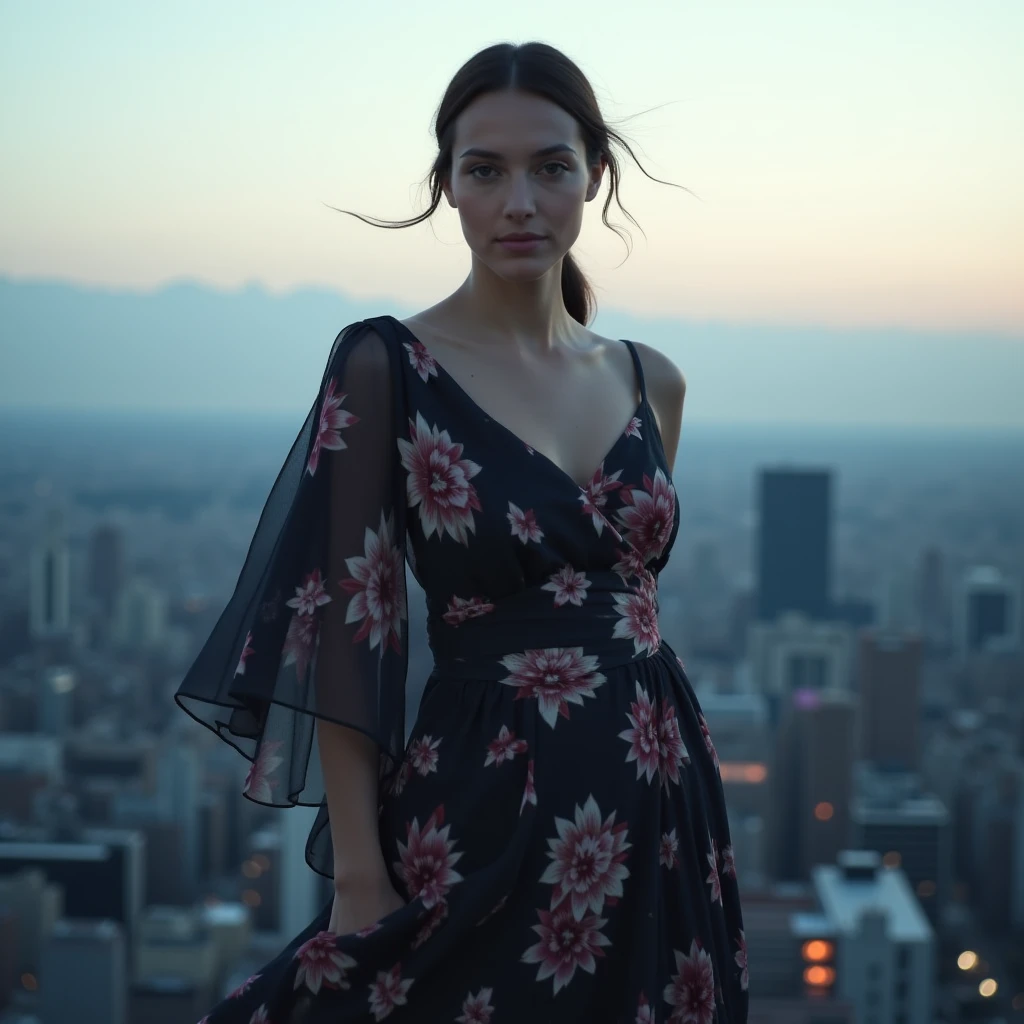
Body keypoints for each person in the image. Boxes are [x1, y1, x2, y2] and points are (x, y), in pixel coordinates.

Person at [176, 39, 748, 1024]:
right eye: (484, 170)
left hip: (659, 797)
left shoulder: (653, 380)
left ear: (593, 177)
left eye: (550, 167)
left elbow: (627, 591)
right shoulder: (386, 363)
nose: (519, 201)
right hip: (485, 794)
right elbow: (340, 623)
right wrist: (358, 871)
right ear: (447, 186)